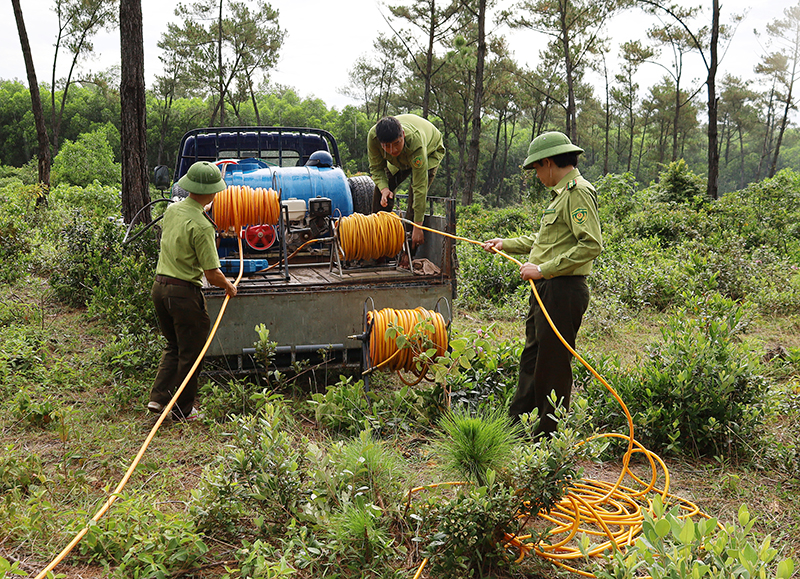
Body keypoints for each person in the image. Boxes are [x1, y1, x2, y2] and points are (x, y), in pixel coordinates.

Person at [482, 131, 602, 438]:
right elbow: (545, 241)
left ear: (548, 163)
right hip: (548, 288)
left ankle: (548, 436)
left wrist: (543, 270)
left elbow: (590, 244)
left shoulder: (578, 192)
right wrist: (505, 243)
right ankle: (519, 426)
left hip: (563, 290)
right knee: (534, 357)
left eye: (536, 169)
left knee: (553, 364)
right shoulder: (561, 196)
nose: (536, 176)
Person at [148, 161, 237, 420]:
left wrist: (203, 209)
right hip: (184, 295)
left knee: (174, 346)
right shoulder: (203, 226)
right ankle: (183, 410)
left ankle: (158, 398)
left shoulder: (173, 210)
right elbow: (212, 274)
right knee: (192, 353)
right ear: (211, 192)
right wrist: (230, 286)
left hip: (160, 289)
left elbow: (192, 211)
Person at [367, 114, 445, 248]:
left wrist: (417, 227)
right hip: (400, 160)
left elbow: (420, 187)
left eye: (397, 143)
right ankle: (377, 244)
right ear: (380, 143)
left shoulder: (415, 142)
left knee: (414, 197)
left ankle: (408, 251)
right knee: (381, 192)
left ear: (402, 134)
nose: (393, 150)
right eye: (387, 146)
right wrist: (385, 189)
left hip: (429, 151)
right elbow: (376, 168)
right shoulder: (373, 137)